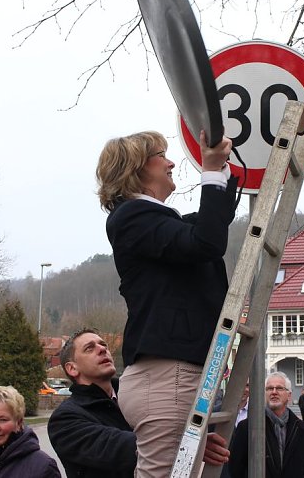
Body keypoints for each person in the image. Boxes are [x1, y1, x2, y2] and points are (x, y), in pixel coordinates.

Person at [96, 130, 237, 478]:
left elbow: (209, 226)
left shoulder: (156, 221)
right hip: (167, 378)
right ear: (137, 167)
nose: (172, 161)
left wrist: (222, 174)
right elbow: (206, 241)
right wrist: (211, 172)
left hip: (169, 378)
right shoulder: (132, 217)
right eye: (162, 154)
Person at [48, 328, 230, 478]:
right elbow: (116, 448)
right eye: (89, 348)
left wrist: (192, 439)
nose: (102, 349)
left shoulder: (137, 394)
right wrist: (185, 440)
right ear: (72, 368)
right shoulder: (64, 420)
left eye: (103, 345)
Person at [227, 372, 304, 478]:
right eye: (270, 388)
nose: (274, 392)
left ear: (289, 395)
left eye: (279, 388)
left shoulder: (302, 429)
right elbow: (236, 469)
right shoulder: (247, 427)